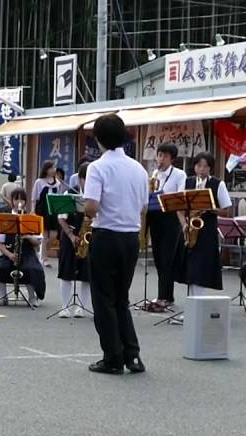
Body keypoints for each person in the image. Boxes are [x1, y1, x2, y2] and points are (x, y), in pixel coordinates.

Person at [82, 113, 148, 375]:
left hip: (106, 236)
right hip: (131, 237)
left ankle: (112, 357)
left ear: (98, 139)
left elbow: (91, 207)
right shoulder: (138, 168)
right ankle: (133, 356)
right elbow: (143, 205)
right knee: (121, 298)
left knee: (104, 299)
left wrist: (82, 206)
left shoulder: (98, 167)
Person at [172, 151, 232, 325]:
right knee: (189, 269)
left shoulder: (217, 184)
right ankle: (191, 309)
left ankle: (197, 310)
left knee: (200, 269)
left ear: (210, 168)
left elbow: (227, 210)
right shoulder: (188, 182)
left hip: (207, 232)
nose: (201, 169)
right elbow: (179, 207)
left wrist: (209, 207)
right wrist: (184, 224)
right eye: (199, 165)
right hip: (189, 229)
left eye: (205, 166)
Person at [145, 142, 187, 312]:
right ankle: (165, 295)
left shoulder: (179, 174)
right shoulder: (154, 174)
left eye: (165, 156)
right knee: (157, 257)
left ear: (172, 159)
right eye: (159, 155)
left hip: (171, 218)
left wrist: (165, 197)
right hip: (154, 217)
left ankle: (164, 297)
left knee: (167, 259)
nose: (160, 159)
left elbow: (181, 196)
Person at [0, 188, 46, 306]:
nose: (19, 202)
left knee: (31, 268)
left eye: (22, 199)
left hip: (27, 253)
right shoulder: (5, 219)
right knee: (0, 267)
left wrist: (28, 236)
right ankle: (2, 296)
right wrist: (9, 254)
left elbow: (38, 242)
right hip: (10, 252)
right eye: (16, 199)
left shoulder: (31, 218)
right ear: (11, 201)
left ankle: (32, 297)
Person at [55, 162, 92, 318]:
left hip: (89, 237)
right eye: (86, 179)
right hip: (70, 236)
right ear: (80, 178)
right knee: (66, 272)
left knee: (87, 275)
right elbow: (61, 218)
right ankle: (65, 306)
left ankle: (82, 308)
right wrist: (70, 235)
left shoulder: (96, 196)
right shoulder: (69, 194)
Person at [32, 160, 60, 267]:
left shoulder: (57, 182)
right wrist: (33, 211)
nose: (54, 170)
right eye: (52, 168)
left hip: (53, 210)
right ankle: (44, 258)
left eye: (54, 168)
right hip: (42, 210)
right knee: (43, 235)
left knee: (53, 235)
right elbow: (34, 198)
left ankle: (42, 251)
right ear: (46, 169)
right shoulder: (39, 182)